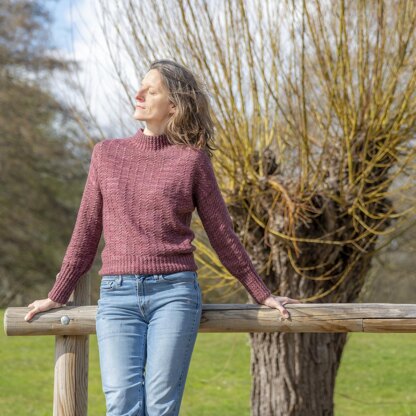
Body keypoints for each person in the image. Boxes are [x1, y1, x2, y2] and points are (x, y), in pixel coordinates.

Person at [24, 59, 301, 415]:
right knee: (122, 403)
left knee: (160, 406)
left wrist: (261, 293)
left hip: (174, 294)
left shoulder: (192, 160)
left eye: (150, 90)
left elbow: (222, 235)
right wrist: (56, 294)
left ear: (173, 105)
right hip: (117, 296)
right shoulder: (106, 155)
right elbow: (86, 231)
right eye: (140, 87)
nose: (138, 94)